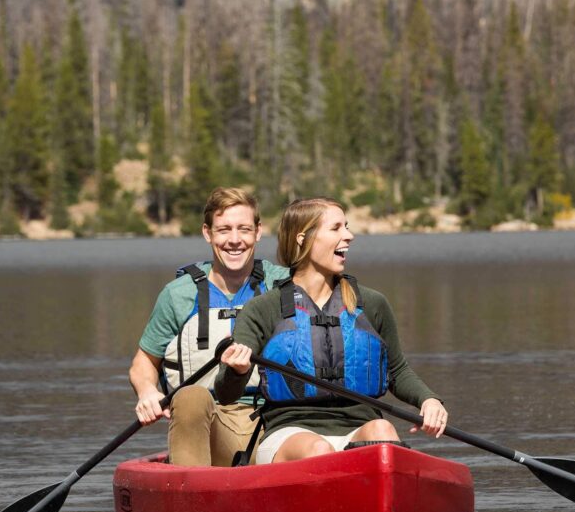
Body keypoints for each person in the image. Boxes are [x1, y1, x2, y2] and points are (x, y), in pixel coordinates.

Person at [214, 197, 448, 464]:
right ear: (304, 238)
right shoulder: (262, 309)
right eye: (336, 228)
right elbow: (225, 393)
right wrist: (238, 370)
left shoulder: (372, 303)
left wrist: (429, 400)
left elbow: (397, 371)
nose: (349, 236)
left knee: (383, 432)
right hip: (290, 433)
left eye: (346, 226)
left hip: (359, 426)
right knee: (319, 449)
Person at [129, 187, 288, 466]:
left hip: (276, 425)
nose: (235, 240)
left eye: (244, 229)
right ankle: (193, 499)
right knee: (190, 397)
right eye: (224, 230)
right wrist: (147, 392)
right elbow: (144, 362)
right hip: (211, 428)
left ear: (258, 232)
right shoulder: (179, 294)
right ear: (207, 233)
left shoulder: (283, 284)